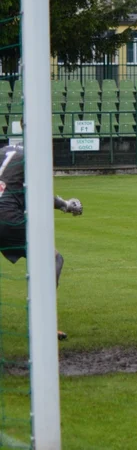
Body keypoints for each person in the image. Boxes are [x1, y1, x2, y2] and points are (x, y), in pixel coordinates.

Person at [0, 145, 83, 340]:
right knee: (53, 259)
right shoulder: (32, 155)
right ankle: (45, 323)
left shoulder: (5, 150)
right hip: (7, 218)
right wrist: (66, 205)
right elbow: (40, 193)